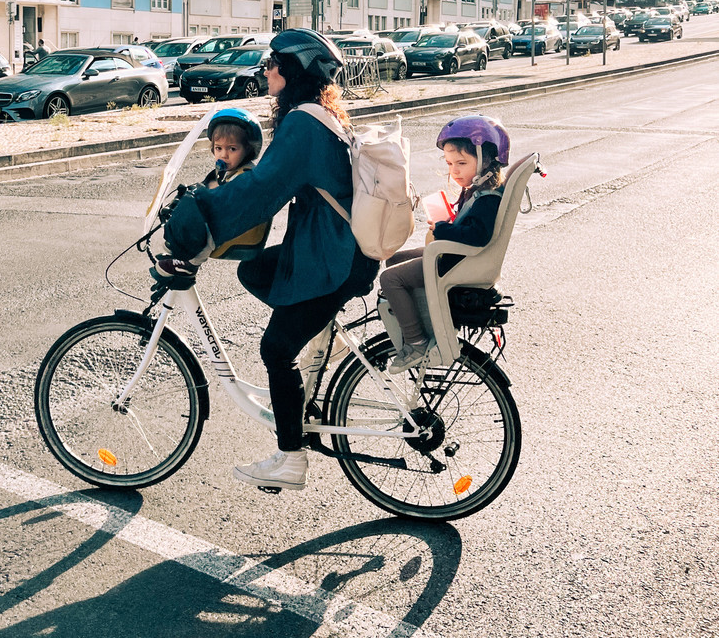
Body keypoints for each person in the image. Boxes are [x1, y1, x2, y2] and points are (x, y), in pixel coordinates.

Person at [162, 28, 376, 492]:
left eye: (274, 61)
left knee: (275, 350)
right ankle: (322, 336)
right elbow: (268, 188)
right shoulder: (319, 117)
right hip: (331, 251)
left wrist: (195, 213)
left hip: (332, 259)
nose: (267, 68)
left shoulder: (303, 124)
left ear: (295, 70)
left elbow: (262, 191)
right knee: (255, 268)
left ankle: (290, 458)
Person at [378, 115, 509, 374]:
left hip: (457, 263)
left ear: (485, 160)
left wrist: (443, 228)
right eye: (450, 163)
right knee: (393, 260)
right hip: (456, 258)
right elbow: (470, 227)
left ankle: (416, 342)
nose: (454, 170)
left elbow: (477, 235)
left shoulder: (487, 198)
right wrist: (448, 221)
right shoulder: (479, 188)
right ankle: (420, 320)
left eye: (462, 163)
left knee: (390, 279)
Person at [154, 108, 267, 276]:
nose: (224, 155)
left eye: (232, 149)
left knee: (208, 220)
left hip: (240, 231)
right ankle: (179, 253)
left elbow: (227, 201)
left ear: (248, 149)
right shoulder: (227, 172)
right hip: (232, 224)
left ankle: (190, 263)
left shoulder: (245, 175)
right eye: (218, 148)